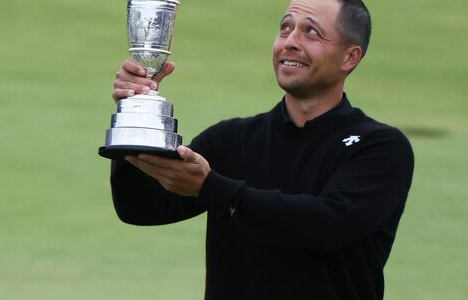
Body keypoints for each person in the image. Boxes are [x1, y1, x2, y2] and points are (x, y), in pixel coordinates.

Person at [108, 0, 414, 298]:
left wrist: (210, 187)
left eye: (311, 32)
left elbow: (328, 225)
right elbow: (139, 207)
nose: (290, 41)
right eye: (285, 28)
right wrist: (133, 116)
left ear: (350, 57)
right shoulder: (231, 139)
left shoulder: (380, 148)